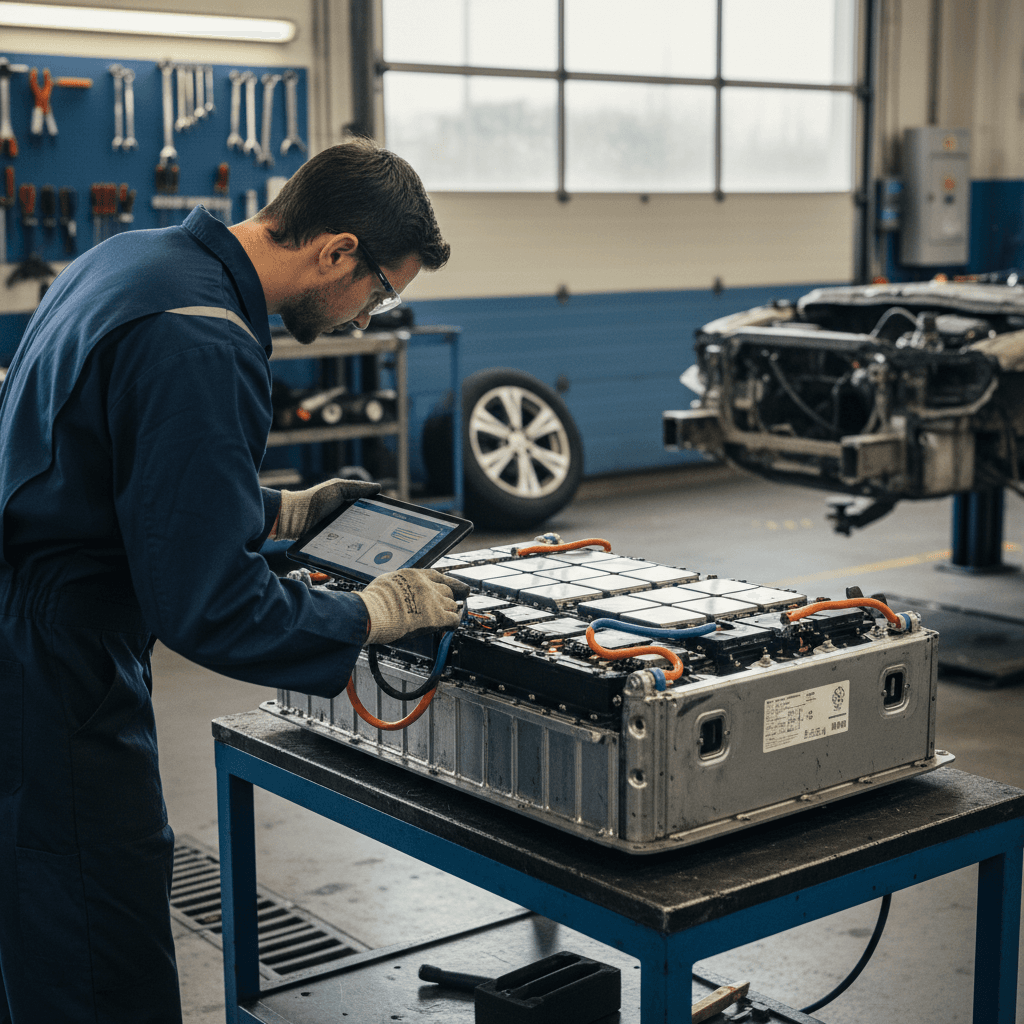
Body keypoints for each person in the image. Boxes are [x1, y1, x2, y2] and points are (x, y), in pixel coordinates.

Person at [0, 138, 467, 1023]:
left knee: (37, 924)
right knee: (99, 945)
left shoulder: (133, 259)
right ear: (336, 251)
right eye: (379, 291)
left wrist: (276, 511)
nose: (367, 318)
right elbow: (210, 605)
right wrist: (367, 613)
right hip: (53, 662)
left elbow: (111, 467)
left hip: (29, 610)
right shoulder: (204, 339)